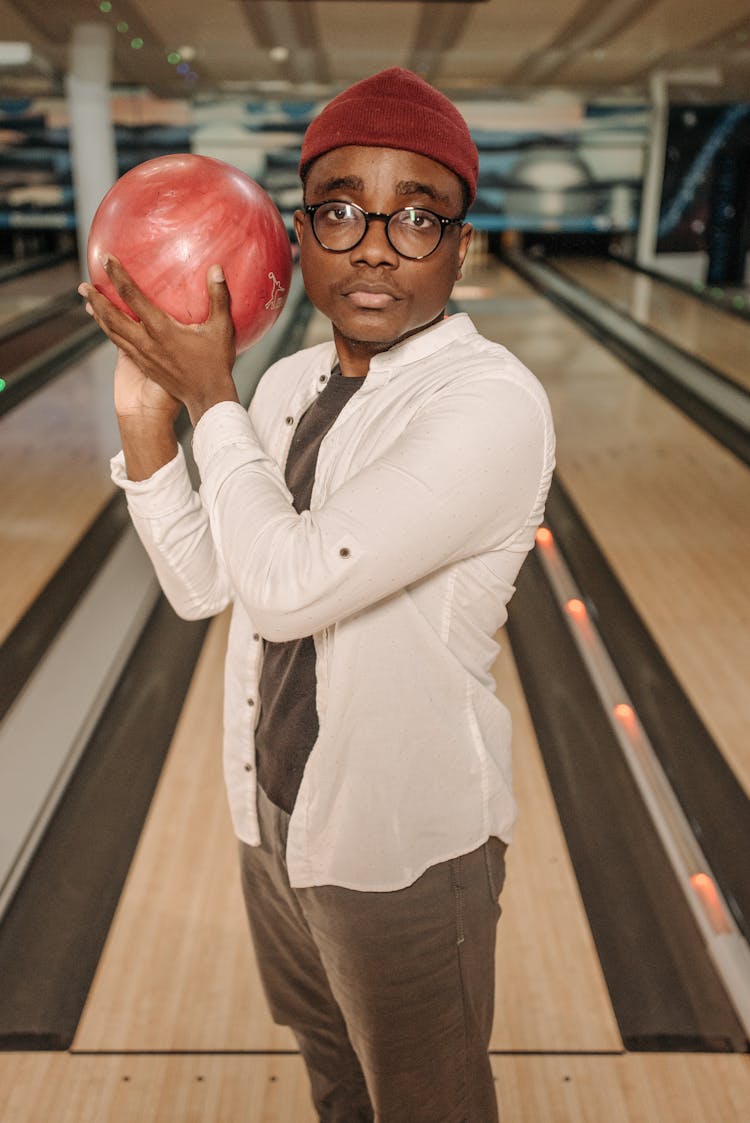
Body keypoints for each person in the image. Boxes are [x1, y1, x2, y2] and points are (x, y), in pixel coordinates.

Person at [79, 67, 555, 1123]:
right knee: (336, 1086)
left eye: (419, 218)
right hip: (276, 822)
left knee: (427, 1105)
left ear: (461, 247)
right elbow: (212, 586)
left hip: (400, 852)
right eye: (342, 210)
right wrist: (145, 414)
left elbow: (293, 586)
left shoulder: (490, 408)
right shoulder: (290, 381)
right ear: (297, 236)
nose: (376, 245)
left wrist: (210, 398)